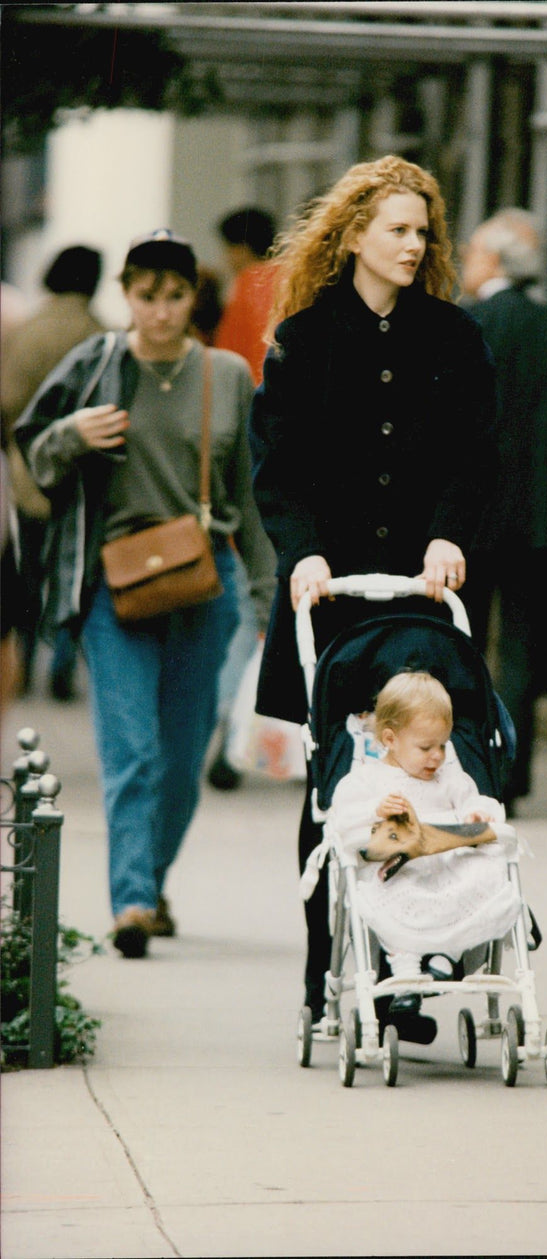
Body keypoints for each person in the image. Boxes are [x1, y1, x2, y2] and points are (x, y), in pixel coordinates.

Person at [248, 154, 497, 1024]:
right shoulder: (304, 341)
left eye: (422, 230)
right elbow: (276, 472)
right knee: (334, 786)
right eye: (396, 228)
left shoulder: (454, 338)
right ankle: (327, 974)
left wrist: (448, 534)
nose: (413, 243)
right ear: (354, 235)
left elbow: (476, 457)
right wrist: (304, 553)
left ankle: (420, 956)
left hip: (424, 591)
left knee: (432, 771)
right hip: (334, 591)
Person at [15, 229, 276, 960]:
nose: (160, 312)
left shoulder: (225, 375)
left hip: (205, 584)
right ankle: (130, 900)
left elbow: (250, 497)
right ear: (125, 295)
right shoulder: (96, 364)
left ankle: (150, 881)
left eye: (174, 296)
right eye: (146, 296)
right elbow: (35, 454)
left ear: (193, 297)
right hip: (114, 585)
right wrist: (71, 433)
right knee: (132, 750)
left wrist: (263, 598)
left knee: (184, 758)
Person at [459, 209, 547, 813]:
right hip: (538, 519)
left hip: (460, 521)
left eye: (470, 252)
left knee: (457, 640)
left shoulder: (459, 327)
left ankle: (462, 768)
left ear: (492, 259)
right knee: (519, 650)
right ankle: (508, 778)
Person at [329, 671, 516, 1014]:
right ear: (390, 739)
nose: (437, 757)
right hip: (401, 870)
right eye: (426, 747)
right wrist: (376, 811)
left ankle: (448, 956)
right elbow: (341, 820)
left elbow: (476, 800)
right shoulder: (368, 780)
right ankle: (407, 972)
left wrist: (476, 814)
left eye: (443, 745)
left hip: (446, 866)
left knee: (488, 869)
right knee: (391, 891)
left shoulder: (450, 779)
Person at [1, 245, 106, 699]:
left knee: (27, 569)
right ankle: (62, 668)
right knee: (74, 572)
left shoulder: (29, 330)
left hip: (27, 472)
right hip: (83, 473)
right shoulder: (100, 334)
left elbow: (7, 399)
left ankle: (22, 663)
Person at [206, 208, 279, 789]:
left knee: (244, 605)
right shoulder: (299, 283)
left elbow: (231, 379)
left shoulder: (249, 288)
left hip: (252, 460)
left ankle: (229, 727)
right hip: (296, 462)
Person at [214, 207, 277, 386]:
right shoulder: (293, 279)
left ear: (240, 250)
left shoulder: (247, 283)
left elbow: (228, 352)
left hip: (254, 392)